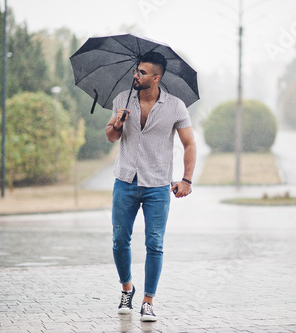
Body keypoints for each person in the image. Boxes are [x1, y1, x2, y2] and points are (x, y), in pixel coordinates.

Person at [105, 51, 197, 322]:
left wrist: (187, 180)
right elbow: (110, 136)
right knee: (120, 240)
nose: (137, 74)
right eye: (137, 70)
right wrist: (118, 124)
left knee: (154, 244)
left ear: (157, 77)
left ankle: (148, 301)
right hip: (125, 180)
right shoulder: (122, 99)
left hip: (158, 184)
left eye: (143, 72)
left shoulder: (176, 106)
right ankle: (126, 289)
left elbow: (189, 143)